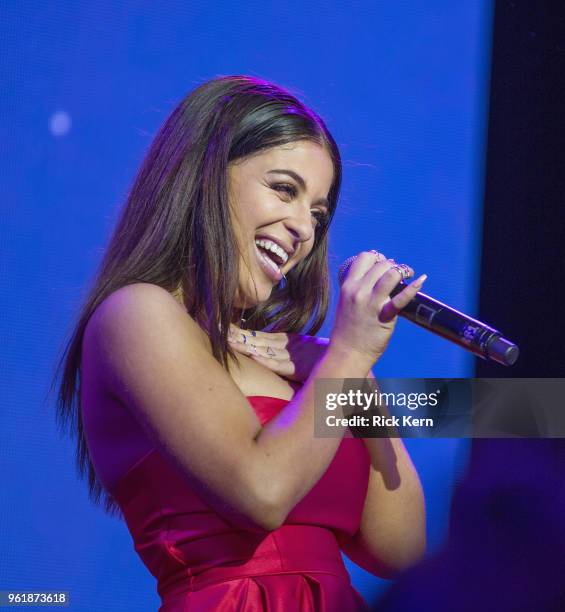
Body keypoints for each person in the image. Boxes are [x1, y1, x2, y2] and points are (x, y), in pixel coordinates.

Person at [53, 75, 426, 611]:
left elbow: (401, 551)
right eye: (283, 189)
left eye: (318, 215)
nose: (304, 228)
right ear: (205, 177)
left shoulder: (304, 366)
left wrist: (356, 377)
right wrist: (349, 355)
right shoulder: (135, 314)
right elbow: (261, 493)